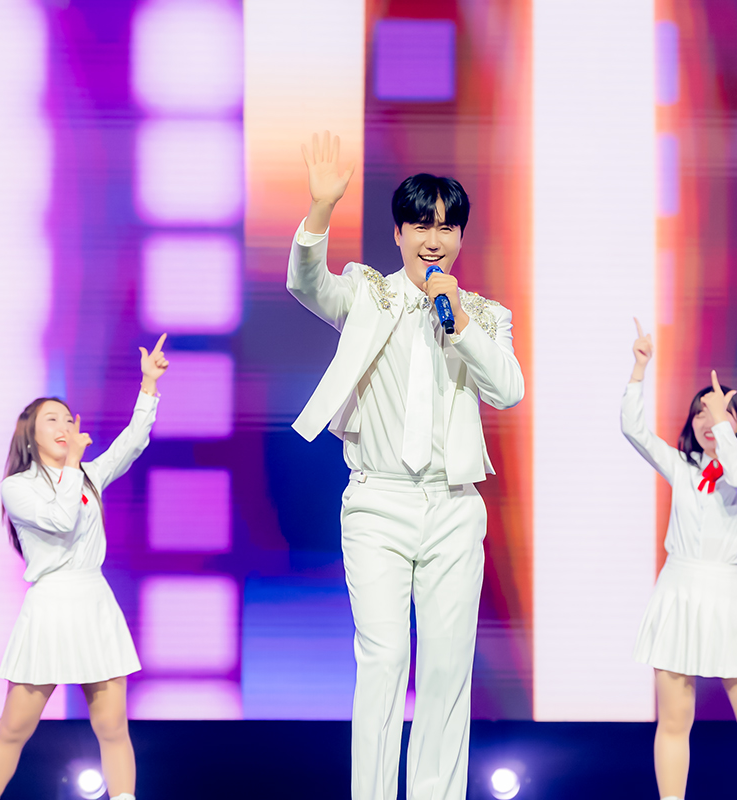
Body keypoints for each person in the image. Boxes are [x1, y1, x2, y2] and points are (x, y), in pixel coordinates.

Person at [287, 131, 524, 800]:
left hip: (453, 507)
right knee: (385, 658)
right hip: (378, 502)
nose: (434, 239)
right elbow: (306, 283)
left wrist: (459, 322)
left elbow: (508, 390)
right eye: (422, 224)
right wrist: (321, 207)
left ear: (461, 238)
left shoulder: (483, 316)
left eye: (447, 227)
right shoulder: (369, 294)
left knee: (447, 670)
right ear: (398, 232)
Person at [0, 335, 170, 800]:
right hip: (50, 605)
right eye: (52, 420)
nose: (64, 426)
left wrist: (148, 385)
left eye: (67, 418)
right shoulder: (17, 487)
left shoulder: (87, 475)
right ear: (30, 435)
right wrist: (74, 467)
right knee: (14, 728)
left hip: (94, 603)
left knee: (113, 728)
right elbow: (61, 520)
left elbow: (131, 444)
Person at [622, 319, 737, 800]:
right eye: (700, 413)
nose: (709, 420)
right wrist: (639, 369)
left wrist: (724, 428)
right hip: (678, 593)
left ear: (736, 423)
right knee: (673, 722)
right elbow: (633, 430)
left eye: (721, 413)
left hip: (727, 597)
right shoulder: (683, 468)